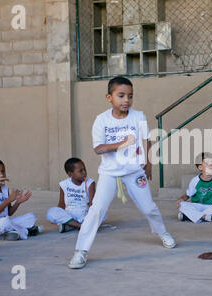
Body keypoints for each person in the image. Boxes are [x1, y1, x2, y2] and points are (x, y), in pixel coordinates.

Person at [68, 76, 176, 269]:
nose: (126, 100)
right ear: (109, 97)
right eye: (121, 95)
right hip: (110, 173)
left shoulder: (138, 116)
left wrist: (149, 164)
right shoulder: (101, 120)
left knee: (148, 207)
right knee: (97, 210)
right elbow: (98, 148)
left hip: (134, 171)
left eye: (130, 96)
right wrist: (121, 144)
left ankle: (163, 233)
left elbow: (148, 139)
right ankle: (81, 251)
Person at [0, 159, 43, 241]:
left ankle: (7, 233)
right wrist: (9, 200)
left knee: (31, 217)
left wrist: (18, 202)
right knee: (5, 222)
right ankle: (27, 231)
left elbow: (9, 212)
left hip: (2, 222)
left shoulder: (5, 189)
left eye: (3, 171)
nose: (1, 175)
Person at [47, 158, 96, 233]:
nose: (84, 173)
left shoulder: (90, 183)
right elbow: (61, 204)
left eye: (84, 169)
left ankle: (70, 225)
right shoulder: (64, 184)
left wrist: (91, 208)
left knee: (100, 212)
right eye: (80, 171)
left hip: (84, 214)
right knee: (51, 212)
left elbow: (92, 203)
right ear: (70, 174)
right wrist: (58, 216)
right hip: (70, 215)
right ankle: (80, 226)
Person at [176, 152, 212, 224]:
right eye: (207, 163)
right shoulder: (195, 181)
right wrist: (180, 199)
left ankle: (190, 216)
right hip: (198, 206)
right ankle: (208, 218)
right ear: (200, 167)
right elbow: (187, 195)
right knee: (182, 205)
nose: (210, 165)